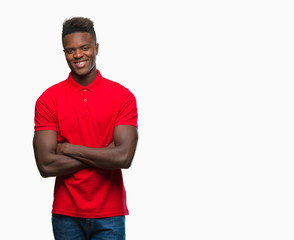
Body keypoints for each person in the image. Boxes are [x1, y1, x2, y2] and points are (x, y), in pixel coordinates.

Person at [33, 17, 138, 240]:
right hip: (66, 214)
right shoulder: (48, 99)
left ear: (96, 48)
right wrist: (104, 154)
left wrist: (67, 148)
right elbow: (45, 165)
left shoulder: (122, 97)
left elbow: (123, 158)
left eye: (84, 47)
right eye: (70, 50)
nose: (78, 55)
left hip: (109, 214)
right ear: (64, 53)